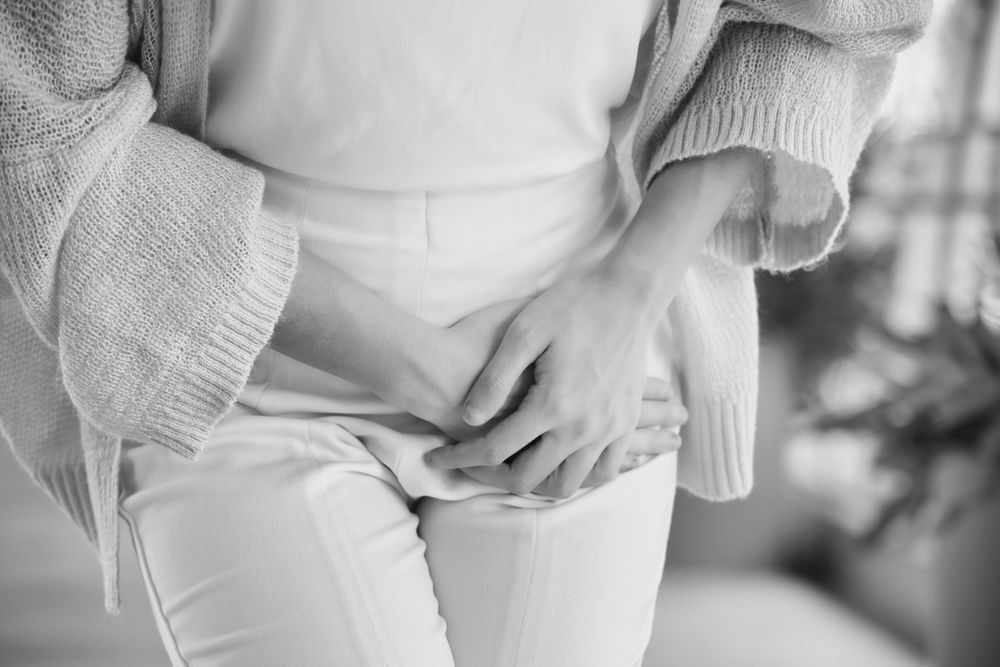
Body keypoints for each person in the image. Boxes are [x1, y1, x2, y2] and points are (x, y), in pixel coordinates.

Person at [0, 1, 929, 665]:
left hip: (581, 359)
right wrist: (449, 377)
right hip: (232, 352)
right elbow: (41, 114)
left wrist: (632, 291)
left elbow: (824, 22)